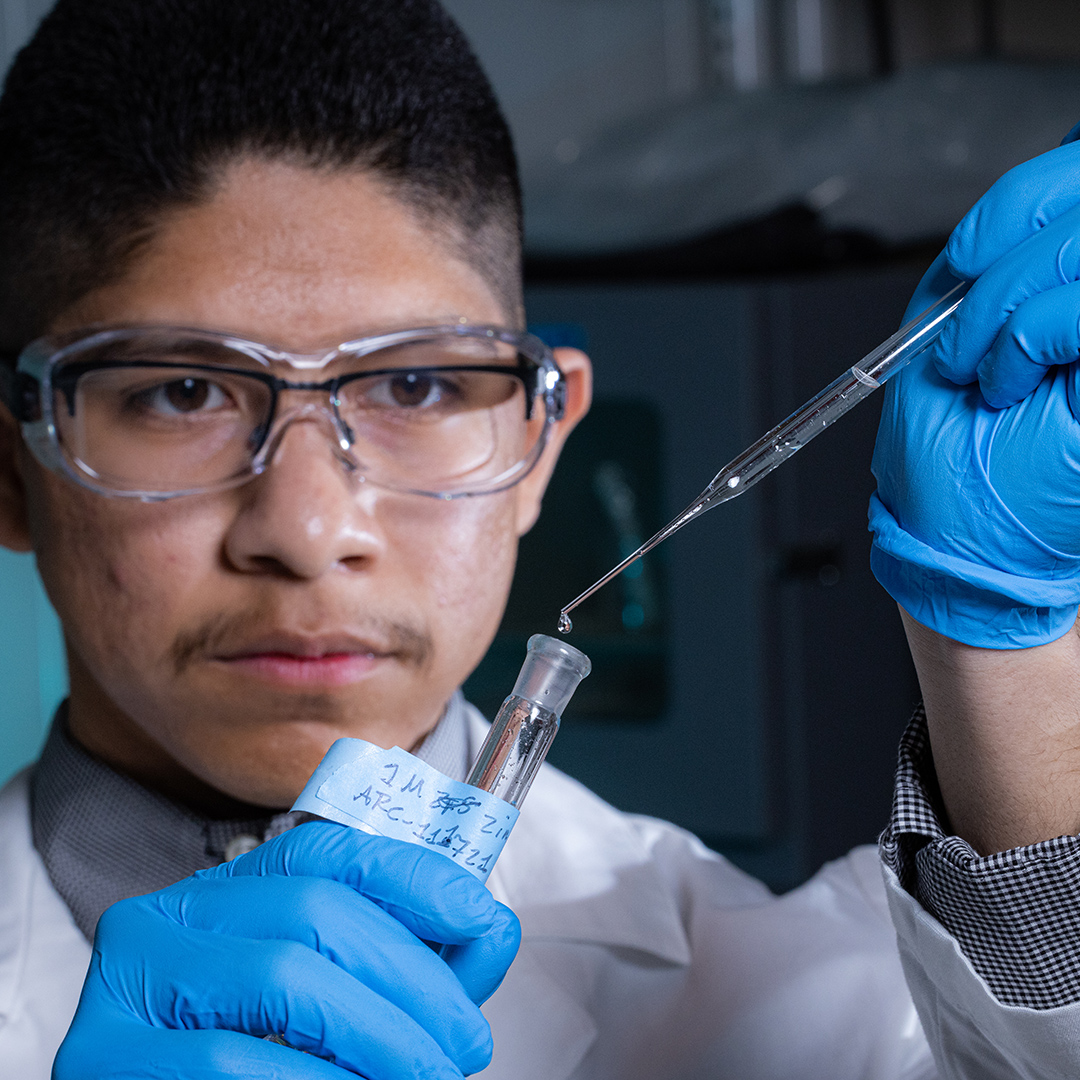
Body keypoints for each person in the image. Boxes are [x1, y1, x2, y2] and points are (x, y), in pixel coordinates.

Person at [1, 1, 1080, 1078]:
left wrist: (1005, 657)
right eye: (183, 392)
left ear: (543, 439)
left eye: (415, 383)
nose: (310, 529)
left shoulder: (789, 1000)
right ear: (12, 471)